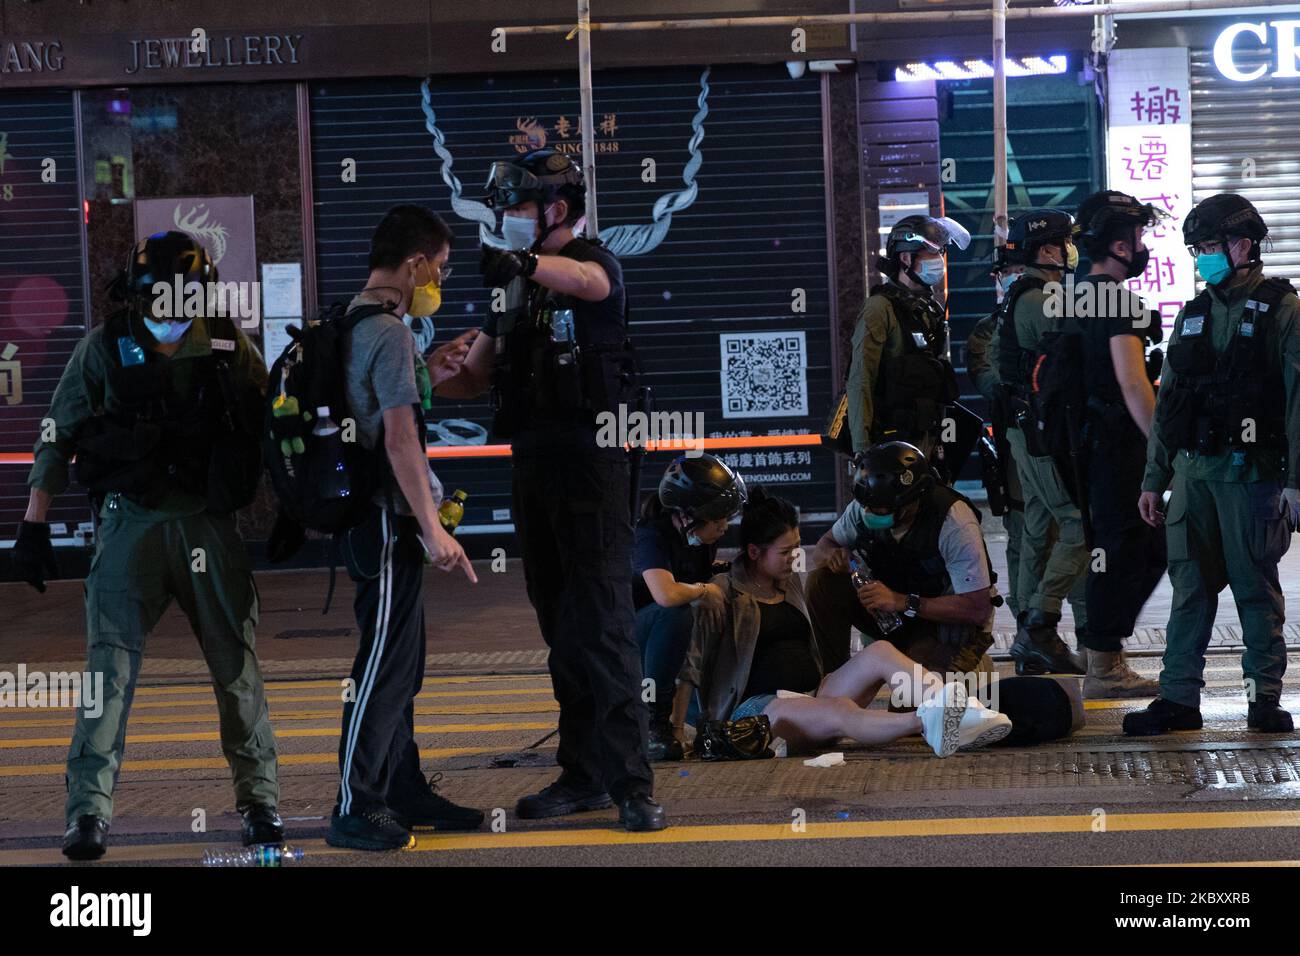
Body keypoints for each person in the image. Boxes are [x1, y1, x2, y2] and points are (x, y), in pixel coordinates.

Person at [10, 232, 280, 860]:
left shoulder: (225, 346)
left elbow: (268, 421)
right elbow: (58, 432)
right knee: (109, 674)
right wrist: (33, 522)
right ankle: (87, 815)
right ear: (138, 294)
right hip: (130, 526)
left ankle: (260, 802)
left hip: (206, 525)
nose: (174, 307)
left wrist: (295, 504)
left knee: (235, 671)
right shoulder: (104, 349)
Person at [434, 148, 665, 831]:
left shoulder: (593, 264)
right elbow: (475, 373)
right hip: (534, 468)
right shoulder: (513, 287)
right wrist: (407, 377)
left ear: (555, 212)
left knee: (603, 624)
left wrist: (526, 263)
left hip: (593, 470)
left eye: (514, 209)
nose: (503, 221)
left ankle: (633, 785)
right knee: (561, 626)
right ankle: (582, 772)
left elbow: (591, 284)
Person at [326, 205, 484, 851]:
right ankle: (354, 805)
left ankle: (403, 786)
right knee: (382, 668)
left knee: (401, 667)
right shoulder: (389, 331)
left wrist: (431, 368)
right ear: (415, 262)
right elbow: (397, 437)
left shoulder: (351, 320)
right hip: (387, 523)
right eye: (439, 269)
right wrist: (432, 528)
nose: (438, 283)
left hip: (371, 520)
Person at [1126, 193, 1300, 736]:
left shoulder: (1285, 312)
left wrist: (1296, 483)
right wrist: (1155, 478)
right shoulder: (1193, 314)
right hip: (1194, 476)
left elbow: (1299, 402)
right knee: (1190, 591)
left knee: (1253, 588)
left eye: (1209, 247)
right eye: (1197, 249)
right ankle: (1178, 700)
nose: (1203, 258)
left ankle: (1263, 699)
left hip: (1252, 478)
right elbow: (1171, 404)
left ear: (1243, 245)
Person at [673, 488, 1012, 757]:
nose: (795, 558)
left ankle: (961, 710)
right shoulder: (723, 593)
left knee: (879, 651)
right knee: (840, 710)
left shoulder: (787, 582)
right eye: (785, 552)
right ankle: (931, 722)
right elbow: (691, 665)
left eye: (795, 548)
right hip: (756, 712)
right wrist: (679, 728)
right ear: (753, 552)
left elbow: (824, 552)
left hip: (810, 694)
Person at [1071, 190, 1166, 698]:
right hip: (1117, 443)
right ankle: (1104, 666)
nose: (1143, 244)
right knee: (1134, 545)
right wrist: (1162, 448)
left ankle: (1098, 653)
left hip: (1085, 443)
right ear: (1119, 243)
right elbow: (1134, 383)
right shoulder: (1117, 300)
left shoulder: (1077, 291)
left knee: (1119, 545)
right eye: (1138, 235)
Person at [806, 442, 998, 678]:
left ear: (910, 500)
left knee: (912, 703)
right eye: (870, 508)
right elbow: (822, 548)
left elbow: (978, 609)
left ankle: (973, 668)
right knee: (822, 582)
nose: (873, 515)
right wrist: (835, 556)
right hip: (893, 618)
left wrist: (902, 601)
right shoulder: (865, 506)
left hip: (944, 625)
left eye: (883, 510)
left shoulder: (953, 521)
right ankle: (833, 678)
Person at [997, 209, 1089, 675]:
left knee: (1037, 529)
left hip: (1023, 430)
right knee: (1078, 524)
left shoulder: (1023, 294)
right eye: (1066, 243)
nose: (1071, 251)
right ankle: (1040, 623)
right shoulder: (1044, 299)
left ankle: (1027, 639)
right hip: (1039, 432)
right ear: (1049, 250)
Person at [634, 454, 744, 761]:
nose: (724, 527)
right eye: (719, 519)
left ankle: (700, 714)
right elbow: (666, 595)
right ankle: (655, 724)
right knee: (676, 612)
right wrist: (704, 589)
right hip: (627, 638)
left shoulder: (700, 538)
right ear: (688, 515)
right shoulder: (651, 537)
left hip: (663, 639)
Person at [844, 215, 971, 476]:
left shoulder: (927, 307)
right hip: (890, 440)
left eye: (940, 253)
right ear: (905, 258)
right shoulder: (880, 308)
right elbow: (860, 379)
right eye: (930, 254)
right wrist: (862, 448)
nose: (938, 262)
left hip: (926, 434)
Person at [965, 247, 1027, 620]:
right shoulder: (988, 330)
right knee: (1021, 532)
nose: (1018, 275)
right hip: (1015, 446)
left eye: (1024, 268)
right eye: (1011, 270)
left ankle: (1089, 635)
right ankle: (1028, 624)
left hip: (1063, 448)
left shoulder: (1060, 317)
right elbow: (990, 381)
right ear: (998, 277)